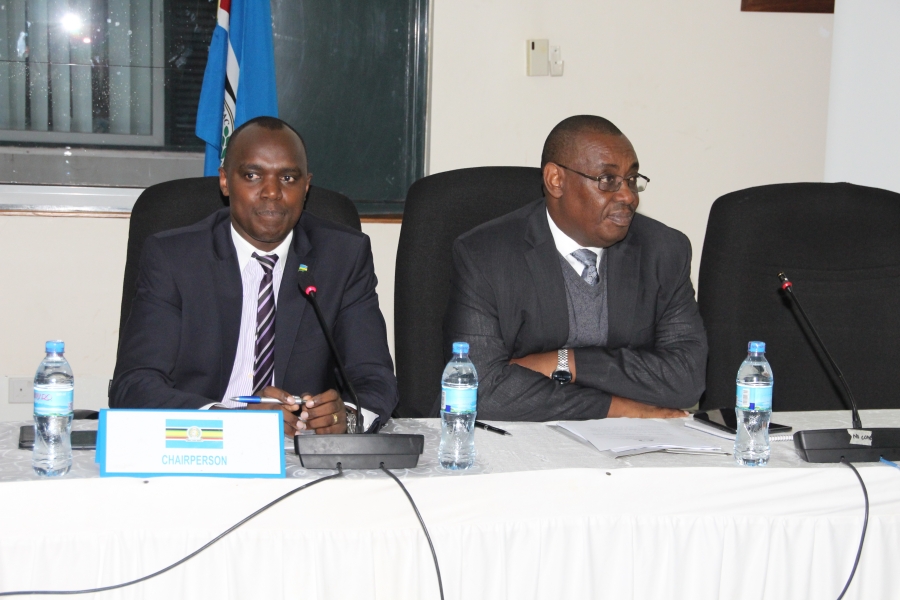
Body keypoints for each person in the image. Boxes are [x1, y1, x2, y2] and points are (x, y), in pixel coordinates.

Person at [111, 116, 398, 434]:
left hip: (300, 452)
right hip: (200, 446)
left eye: (288, 178)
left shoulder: (342, 257)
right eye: (252, 175)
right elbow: (134, 384)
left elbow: (375, 380)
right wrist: (228, 422)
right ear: (224, 180)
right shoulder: (174, 258)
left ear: (306, 186)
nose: (272, 192)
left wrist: (348, 417)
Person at [442, 115, 707, 421]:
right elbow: (480, 389)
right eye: (608, 180)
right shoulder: (486, 255)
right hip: (526, 446)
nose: (628, 196)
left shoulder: (663, 250)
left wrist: (564, 362)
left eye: (632, 180)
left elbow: (687, 380)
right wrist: (618, 408)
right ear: (556, 180)